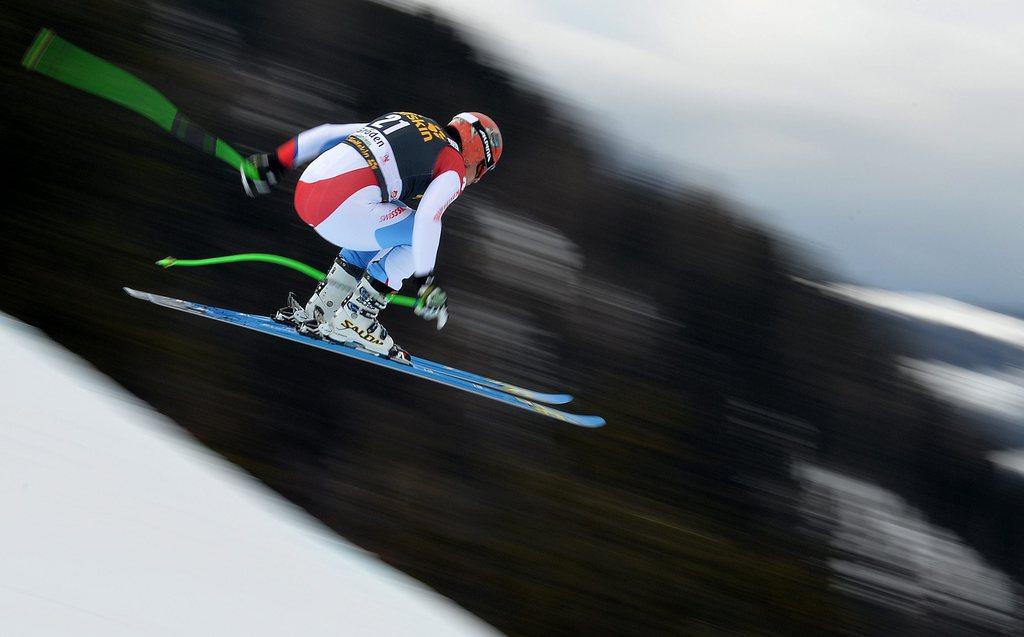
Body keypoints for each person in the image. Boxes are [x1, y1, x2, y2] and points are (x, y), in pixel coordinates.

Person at [241, 111, 502, 363]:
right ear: (476, 153)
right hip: (340, 209)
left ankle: (322, 309)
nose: (476, 179)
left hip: (307, 192)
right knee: (417, 232)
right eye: (482, 169)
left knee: (387, 213)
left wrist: (276, 161)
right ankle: (356, 318)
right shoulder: (453, 165)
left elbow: (328, 133)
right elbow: (428, 218)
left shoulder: (408, 120)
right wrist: (426, 283)